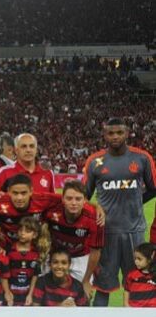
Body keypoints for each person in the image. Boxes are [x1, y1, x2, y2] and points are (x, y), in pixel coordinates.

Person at [83, 118, 156, 307]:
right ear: (105, 134)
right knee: (103, 284)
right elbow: (83, 196)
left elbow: (153, 187)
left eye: (119, 133)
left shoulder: (142, 158)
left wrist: (137, 202)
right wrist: (97, 208)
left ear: (127, 133)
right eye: (110, 133)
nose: (115, 137)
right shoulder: (95, 161)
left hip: (135, 231)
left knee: (139, 281)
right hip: (106, 233)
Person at [43, 180, 103, 296]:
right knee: (46, 292)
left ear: (85, 200)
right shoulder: (51, 209)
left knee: (83, 295)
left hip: (80, 256)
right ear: (62, 199)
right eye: (69, 198)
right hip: (54, 254)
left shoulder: (95, 218)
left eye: (78, 199)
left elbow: (96, 251)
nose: (74, 203)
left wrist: (86, 280)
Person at [0, 174, 59, 248]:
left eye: (23, 193)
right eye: (15, 193)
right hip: (7, 246)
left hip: (35, 245)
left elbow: (65, 200)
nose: (19, 198)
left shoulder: (43, 200)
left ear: (31, 191)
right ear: (8, 192)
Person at [0, 133, 55, 198]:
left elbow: (53, 202)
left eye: (31, 146)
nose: (28, 150)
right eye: (24, 146)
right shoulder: (4, 172)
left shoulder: (48, 173)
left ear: (36, 150)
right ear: (16, 150)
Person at [6, 217, 46, 306]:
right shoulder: (9, 251)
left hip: (27, 296)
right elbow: (5, 274)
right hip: (10, 295)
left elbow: (35, 276)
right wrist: (7, 292)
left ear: (34, 235)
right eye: (20, 230)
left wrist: (30, 295)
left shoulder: (36, 253)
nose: (22, 233)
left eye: (27, 231)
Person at [123, 243, 156, 307]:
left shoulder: (154, 275)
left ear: (149, 259)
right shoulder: (131, 275)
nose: (136, 261)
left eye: (139, 259)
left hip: (152, 312)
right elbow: (127, 291)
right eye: (135, 258)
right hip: (134, 311)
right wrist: (126, 306)